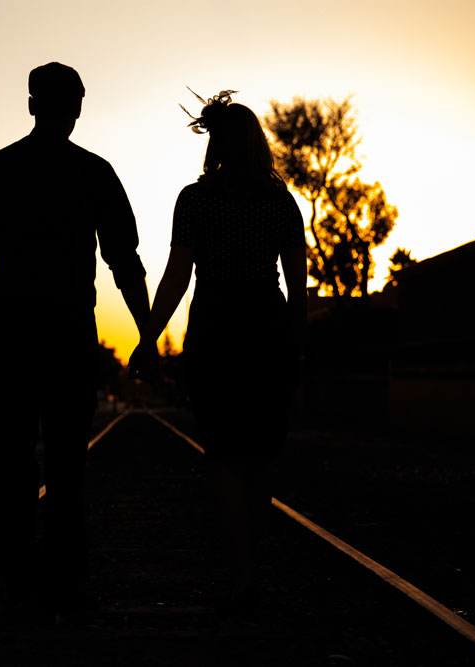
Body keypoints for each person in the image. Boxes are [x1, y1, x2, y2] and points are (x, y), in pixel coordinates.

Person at [0, 62, 151, 614]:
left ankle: (16, 573)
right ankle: (64, 576)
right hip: (70, 334)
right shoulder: (94, 173)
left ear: (30, 104)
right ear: (75, 107)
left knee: (9, 456)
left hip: (13, 333)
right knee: (67, 460)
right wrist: (147, 333)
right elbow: (125, 261)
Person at [129, 91, 308, 611]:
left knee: (226, 457)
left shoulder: (195, 199)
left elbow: (177, 277)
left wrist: (147, 336)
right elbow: (297, 288)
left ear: (215, 144)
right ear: (257, 143)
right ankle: (256, 564)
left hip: (214, 329)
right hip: (265, 328)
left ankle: (242, 576)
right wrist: (297, 346)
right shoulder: (280, 201)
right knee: (260, 459)